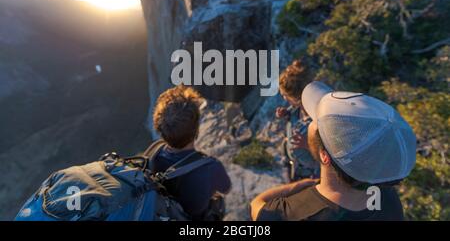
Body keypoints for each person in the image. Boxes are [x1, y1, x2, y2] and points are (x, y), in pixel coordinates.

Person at [251, 81, 416, 221]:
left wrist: (303, 185)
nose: (310, 121)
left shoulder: (291, 213)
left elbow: (257, 204)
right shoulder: (390, 203)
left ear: (324, 155)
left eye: (315, 120)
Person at [146, 85, 231, 220]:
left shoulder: (152, 154)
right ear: (196, 129)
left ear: (159, 128)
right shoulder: (211, 168)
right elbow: (226, 188)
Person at [276, 59, 319, 181]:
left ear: (297, 98)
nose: (284, 98)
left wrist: (310, 145)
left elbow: (330, 160)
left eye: (285, 95)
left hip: (311, 179)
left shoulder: (317, 122)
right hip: (295, 170)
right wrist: (287, 114)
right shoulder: (297, 110)